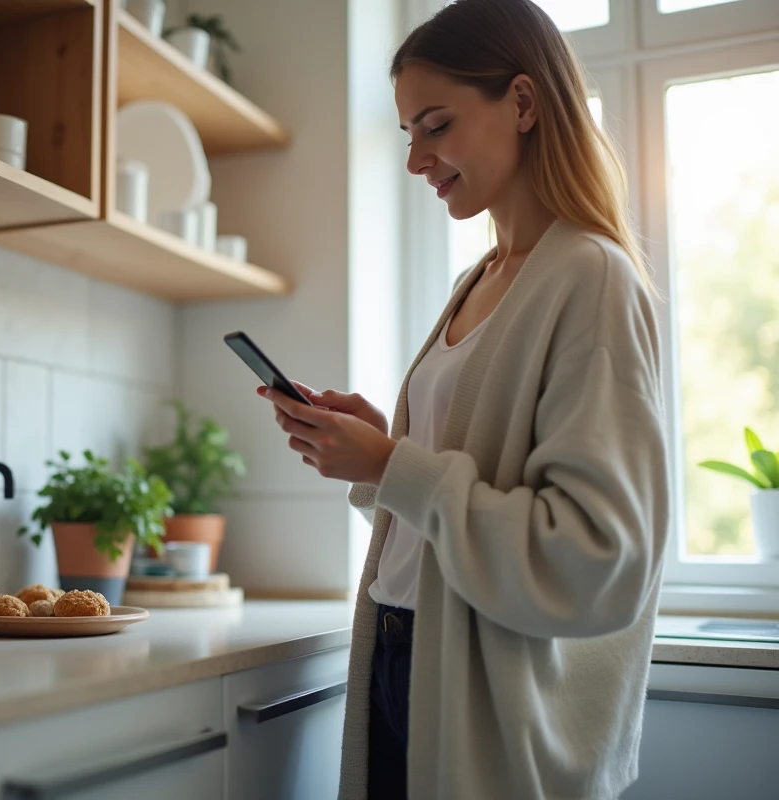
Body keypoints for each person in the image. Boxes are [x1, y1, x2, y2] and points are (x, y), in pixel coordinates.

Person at [258, 1, 670, 798]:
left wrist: (394, 464)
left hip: (488, 695)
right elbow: (453, 499)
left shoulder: (591, 277)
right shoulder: (475, 281)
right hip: (398, 654)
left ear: (523, 103)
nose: (417, 159)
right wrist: (381, 456)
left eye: (436, 126)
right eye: (408, 133)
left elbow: (597, 555)